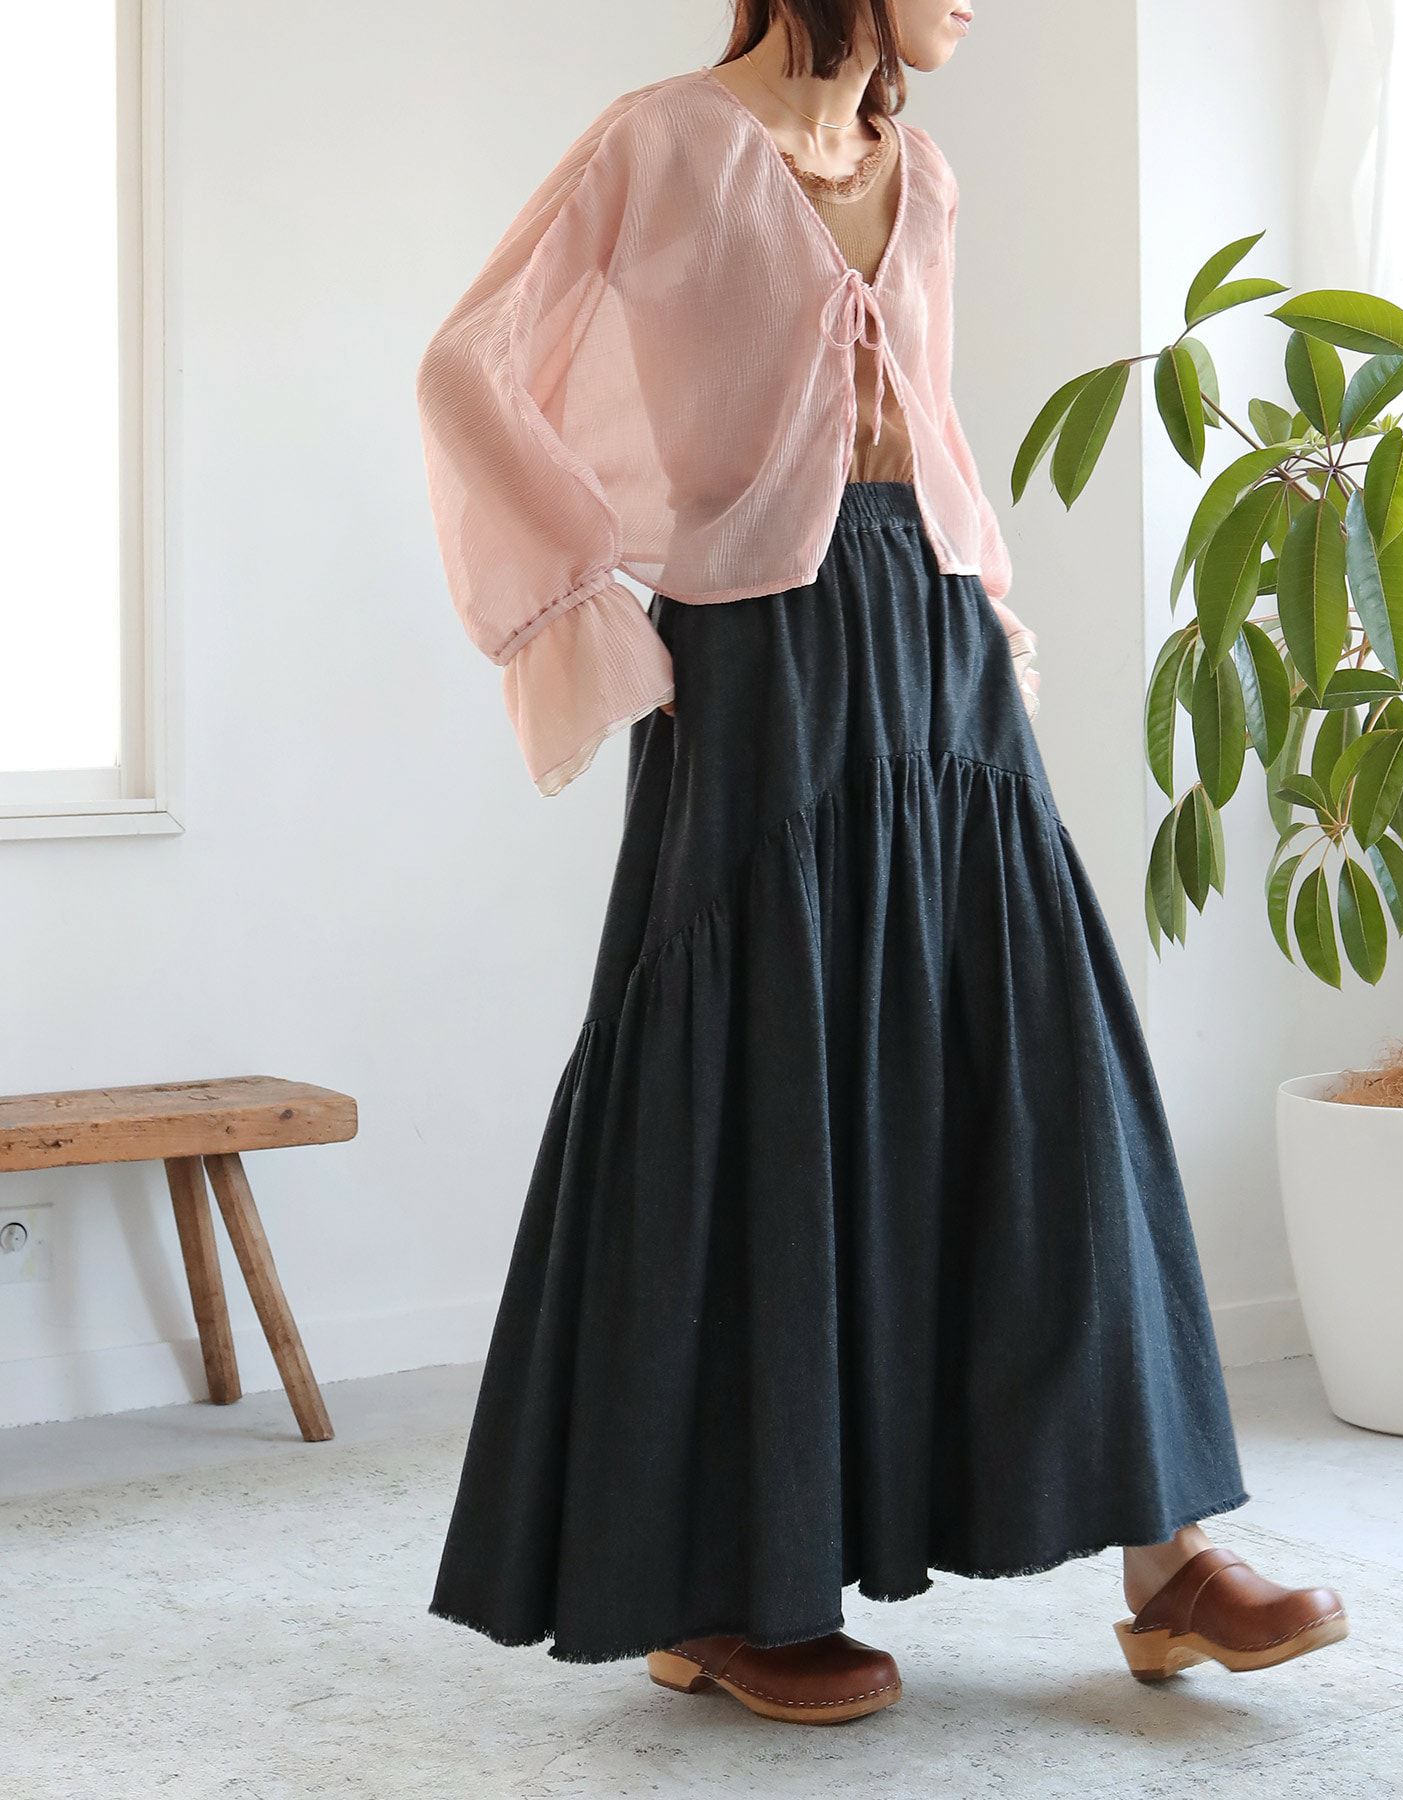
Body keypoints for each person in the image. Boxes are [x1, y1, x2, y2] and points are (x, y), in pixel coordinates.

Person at [414, 0, 1349, 1725]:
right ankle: (719, 1586)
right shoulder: (664, 143)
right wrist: (598, 604)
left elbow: (932, 423)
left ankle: (1168, 1558)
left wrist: (986, 608)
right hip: (760, 662)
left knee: (1047, 1075)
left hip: (933, 637)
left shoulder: (920, 171)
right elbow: (467, 365)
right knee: (760, 1086)